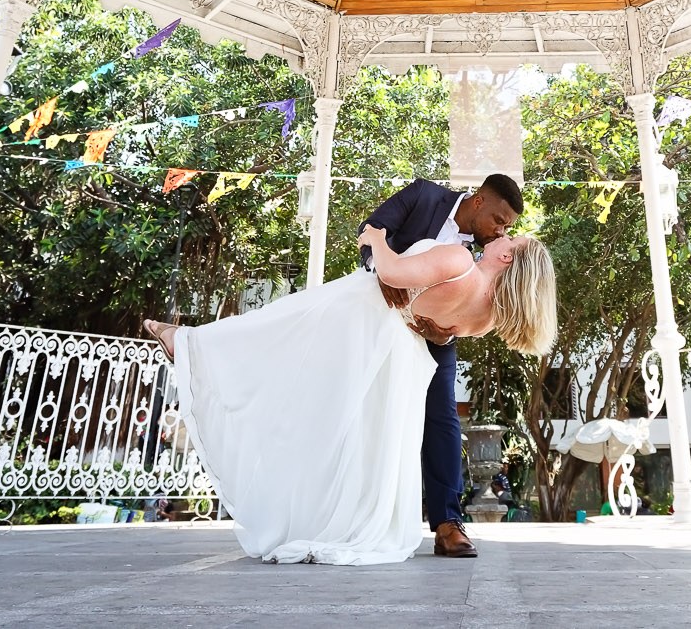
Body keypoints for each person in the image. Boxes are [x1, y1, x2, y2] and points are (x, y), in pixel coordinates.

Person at [142, 213, 552, 565]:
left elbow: (389, 273)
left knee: (276, 330)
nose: (502, 237)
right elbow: (443, 334)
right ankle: (339, 518)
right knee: (359, 435)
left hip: (360, 313)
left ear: (507, 256)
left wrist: (375, 237)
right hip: (397, 351)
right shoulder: (488, 316)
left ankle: (191, 345)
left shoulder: (460, 260)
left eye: (510, 239)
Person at [360, 173, 522, 557]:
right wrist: (379, 274)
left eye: (508, 227)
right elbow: (371, 229)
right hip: (379, 316)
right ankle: (366, 512)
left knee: (443, 418)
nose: (500, 231)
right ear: (479, 201)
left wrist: (446, 333)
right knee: (366, 408)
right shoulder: (424, 195)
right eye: (499, 220)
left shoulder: (488, 254)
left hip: (436, 336)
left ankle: (448, 524)